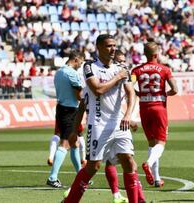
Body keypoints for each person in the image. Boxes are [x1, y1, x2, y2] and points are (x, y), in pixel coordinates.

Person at [64, 34, 145, 203]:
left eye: (114, 45)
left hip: (119, 124)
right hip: (98, 125)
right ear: (99, 47)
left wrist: (128, 115)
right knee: (93, 167)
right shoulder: (89, 67)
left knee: (129, 162)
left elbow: (131, 93)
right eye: (109, 46)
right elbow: (97, 90)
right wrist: (74, 130)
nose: (113, 49)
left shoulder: (122, 68)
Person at [131, 41, 178, 187]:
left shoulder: (136, 70)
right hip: (159, 107)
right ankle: (149, 164)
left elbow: (128, 87)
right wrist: (165, 94)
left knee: (152, 143)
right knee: (161, 142)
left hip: (144, 108)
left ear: (145, 54)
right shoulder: (164, 69)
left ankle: (157, 178)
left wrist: (138, 92)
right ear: (156, 54)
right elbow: (175, 89)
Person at [46, 50, 85, 188]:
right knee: (65, 144)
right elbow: (78, 96)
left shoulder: (59, 72)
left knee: (75, 144)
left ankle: (81, 176)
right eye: (80, 62)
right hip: (70, 110)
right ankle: (52, 177)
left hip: (61, 108)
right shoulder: (72, 73)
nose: (80, 65)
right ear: (76, 59)